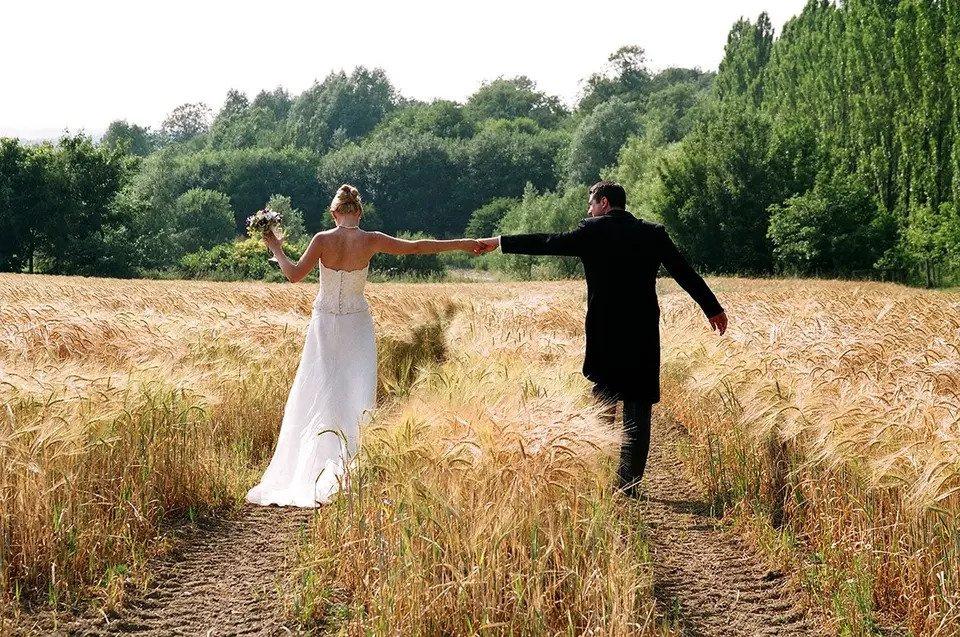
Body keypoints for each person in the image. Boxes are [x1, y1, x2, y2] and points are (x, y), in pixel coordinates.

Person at [477, 181, 727, 497]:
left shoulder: (592, 232)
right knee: (638, 404)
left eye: (591, 204)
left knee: (604, 398)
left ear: (604, 203)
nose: (589, 210)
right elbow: (683, 271)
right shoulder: (652, 234)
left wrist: (499, 242)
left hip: (605, 332)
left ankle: (601, 469)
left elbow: (548, 242)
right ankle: (629, 484)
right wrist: (712, 308)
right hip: (642, 333)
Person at [246, 184, 486, 507]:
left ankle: (309, 468)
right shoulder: (370, 239)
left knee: (317, 391)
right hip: (358, 326)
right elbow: (417, 247)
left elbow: (292, 275)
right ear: (359, 211)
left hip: (325, 326)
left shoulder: (322, 240)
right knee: (355, 394)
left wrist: (274, 245)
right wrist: (464, 244)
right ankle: (348, 469)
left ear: (334, 213)